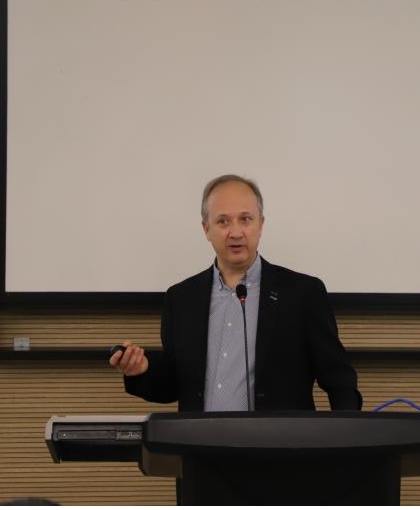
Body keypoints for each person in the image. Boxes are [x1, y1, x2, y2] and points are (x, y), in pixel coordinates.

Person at [109, 173, 361, 411]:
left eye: (245, 219)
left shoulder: (302, 294)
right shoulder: (181, 299)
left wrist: (349, 432)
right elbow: (175, 384)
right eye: (223, 221)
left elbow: (338, 378)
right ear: (206, 229)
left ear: (261, 224)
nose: (236, 232)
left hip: (280, 442)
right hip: (201, 441)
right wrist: (141, 370)